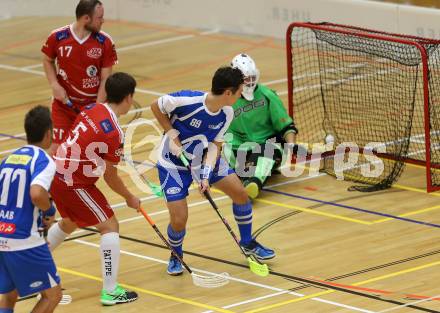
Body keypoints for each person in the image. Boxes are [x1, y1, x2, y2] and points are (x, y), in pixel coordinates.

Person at [150, 66, 276, 276]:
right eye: (238, 91)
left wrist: (206, 176)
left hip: (203, 158)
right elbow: (156, 105)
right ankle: (176, 254)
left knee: (240, 194)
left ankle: (247, 243)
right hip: (173, 163)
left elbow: (215, 147)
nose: (240, 95)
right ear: (228, 92)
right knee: (179, 220)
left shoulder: (227, 113)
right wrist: (172, 134)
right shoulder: (187, 100)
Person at [47, 72, 139, 305]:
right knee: (110, 225)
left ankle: (32, 268)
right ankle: (110, 291)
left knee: (70, 221)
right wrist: (129, 196)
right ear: (128, 98)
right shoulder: (114, 132)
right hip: (74, 183)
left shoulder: (91, 108)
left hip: (57, 175)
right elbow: (110, 176)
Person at [0, 106, 62, 313]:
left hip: (2, 235)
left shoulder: (9, 159)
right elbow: (37, 194)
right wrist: (50, 210)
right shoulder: (43, 160)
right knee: (52, 295)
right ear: (48, 134)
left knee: (9, 295)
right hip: (24, 239)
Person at [42, 0, 118, 155]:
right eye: (99, 17)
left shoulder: (105, 42)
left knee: (87, 152)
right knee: (56, 149)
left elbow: (105, 79)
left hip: (91, 106)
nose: (103, 20)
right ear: (86, 19)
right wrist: (54, 85)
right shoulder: (57, 37)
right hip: (63, 106)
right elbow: (47, 59)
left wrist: (96, 109)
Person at [226, 53, 299, 199]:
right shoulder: (227, 99)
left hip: (268, 146)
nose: (250, 82)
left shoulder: (267, 95)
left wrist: (291, 145)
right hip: (239, 149)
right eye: (247, 79)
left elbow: (286, 125)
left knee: (269, 149)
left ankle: (254, 183)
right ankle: (249, 174)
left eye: (253, 78)